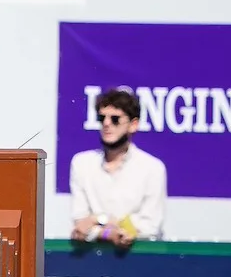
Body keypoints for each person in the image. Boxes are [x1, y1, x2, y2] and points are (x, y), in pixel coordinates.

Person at [68, 88, 168, 246]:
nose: (107, 123)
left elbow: (150, 227)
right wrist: (108, 229)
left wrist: (97, 223)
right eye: (102, 118)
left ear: (133, 125)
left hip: (142, 261)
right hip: (92, 261)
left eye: (115, 119)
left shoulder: (153, 168)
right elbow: (80, 224)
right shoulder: (81, 163)